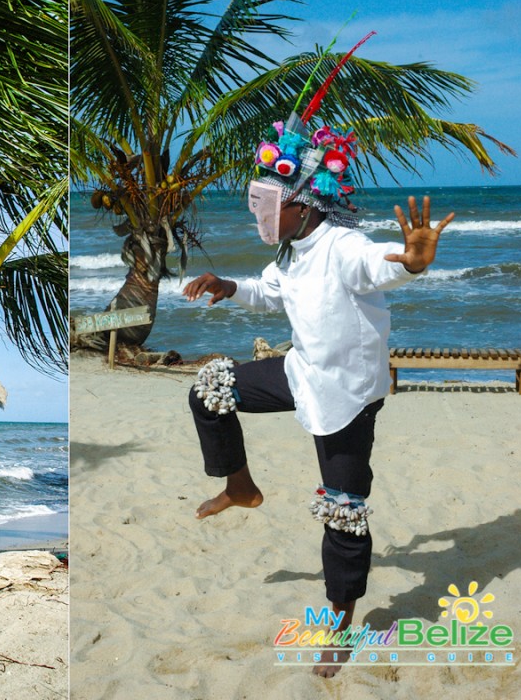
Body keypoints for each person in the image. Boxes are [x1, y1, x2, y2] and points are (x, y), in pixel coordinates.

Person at [183, 102, 454, 678]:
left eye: (268, 202)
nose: (259, 211)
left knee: (344, 512)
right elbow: (270, 291)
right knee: (209, 387)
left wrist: (413, 262)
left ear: (302, 204)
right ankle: (241, 487)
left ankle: (338, 624)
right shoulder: (293, 250)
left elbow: (381, 265)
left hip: (349, 396)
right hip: (301, 371)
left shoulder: (342, 246)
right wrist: (227, 286)